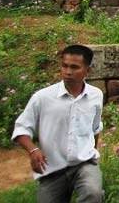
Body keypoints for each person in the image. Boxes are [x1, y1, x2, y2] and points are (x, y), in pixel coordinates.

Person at [12, 44, 104, 203]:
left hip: (84, 163)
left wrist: (91, 156)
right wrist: (33, 150)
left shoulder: (96, 96)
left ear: (87, 71)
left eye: (75, 67)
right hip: (52, 167)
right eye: (65, 66)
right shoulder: (43, 97)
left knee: (93, 193)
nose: (68, 72)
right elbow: (21, 128)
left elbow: (95, 129)